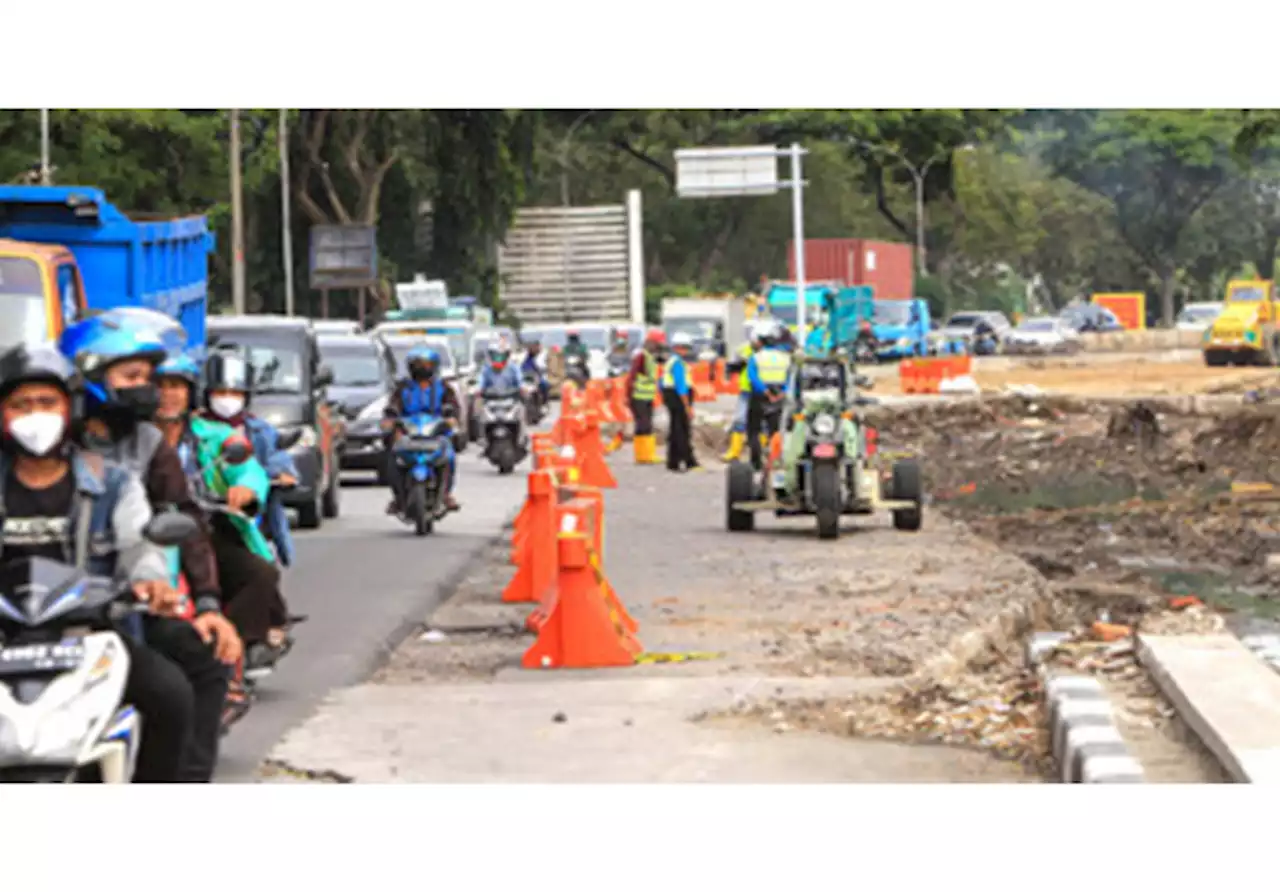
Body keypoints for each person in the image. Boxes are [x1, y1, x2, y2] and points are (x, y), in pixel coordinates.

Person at [0, 341, 194, 782]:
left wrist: (151, 583)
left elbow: (139, 543)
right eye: (20, 404)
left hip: (87, 636)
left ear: (69, 409)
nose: (35, 414)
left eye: (46, 402)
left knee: (172, 695)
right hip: (5, 637)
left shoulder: (112, 481)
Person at [57, 313, 238, 783]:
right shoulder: (41, 446)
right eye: (131, 377)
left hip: (116, 607)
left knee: (197, 666)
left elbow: (180, 518)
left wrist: (205, 602)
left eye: (149, 378)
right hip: (26, 617)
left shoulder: (146, 445)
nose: (146, 389)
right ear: (90, 376)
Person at [154, 351, 288, 726]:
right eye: (161, 386)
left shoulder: (213, 437)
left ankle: (230, 655)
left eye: (177, 387)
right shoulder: (134, 439)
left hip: (206, 531)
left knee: (260, 575)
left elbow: (249, 470)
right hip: (147, 540)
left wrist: (244, 490)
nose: (169, 395)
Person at [199, 346, 298, 572]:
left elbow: (273, 459)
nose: (227, 399)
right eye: (220, 393)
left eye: (234, 393)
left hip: (249, 518)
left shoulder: (260, 431)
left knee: (263, 575)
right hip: (203, 516)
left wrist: (278, 475)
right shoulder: (196, 430)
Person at [382, 345, 461, 515]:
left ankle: (446, 494)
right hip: (409, 431)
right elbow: (393, 407)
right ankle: (398, 497)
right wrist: (390, 419)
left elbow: (454, 408)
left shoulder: (444, 388)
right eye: (417, 364)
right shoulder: (403, 388)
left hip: (436, 431)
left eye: (425, 364)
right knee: (393, 457)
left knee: (449, 456)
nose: (421, 368)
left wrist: (451, 418)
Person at [745, 320, 793, 470]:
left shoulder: (756, 357)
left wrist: (764, 391)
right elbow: (790, 378)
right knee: (776, 431)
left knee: (754, 430)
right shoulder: (786, 358)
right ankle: (775, 460)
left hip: (759, 396)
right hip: (779, 395)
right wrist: (782, 393)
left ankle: (756, 462)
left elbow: (752, 376)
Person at [660, 332, 700, 473]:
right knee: (681, 430)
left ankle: (673, 462)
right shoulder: (677, 363)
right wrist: (687, 406)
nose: (686, 351)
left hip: (671, 397)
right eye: (684, 347)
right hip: (678, 398)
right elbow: (681, 385)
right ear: (677, 347)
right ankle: (688, 461)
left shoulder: (672, 361)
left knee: (675, 429)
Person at [721, 331, 761, 462]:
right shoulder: (743, 349)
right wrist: (732, 368)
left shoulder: (767, 352)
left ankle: (761, 453)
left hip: (761, 390)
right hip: (746, 389)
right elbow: (731, 364)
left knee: (761, 423)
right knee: (740, 420)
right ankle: (734, 452)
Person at [626, 328, 663, 465]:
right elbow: (632, 377)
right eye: (657, 344)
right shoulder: (641, 356)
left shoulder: (650, 356)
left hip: (647, 396)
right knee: (643, 425)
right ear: (651, 342)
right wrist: (628, 396)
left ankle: (647, 455)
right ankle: (643, 455)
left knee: (647, 425)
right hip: (638, 397)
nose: (658, 347)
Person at [520, 339, 549, 405]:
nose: (535, 348)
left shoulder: (542, 354)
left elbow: (540, 367)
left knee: (545, 384)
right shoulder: (524, 355)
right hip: (526, 378)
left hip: (535, 377)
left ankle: (544, 402)